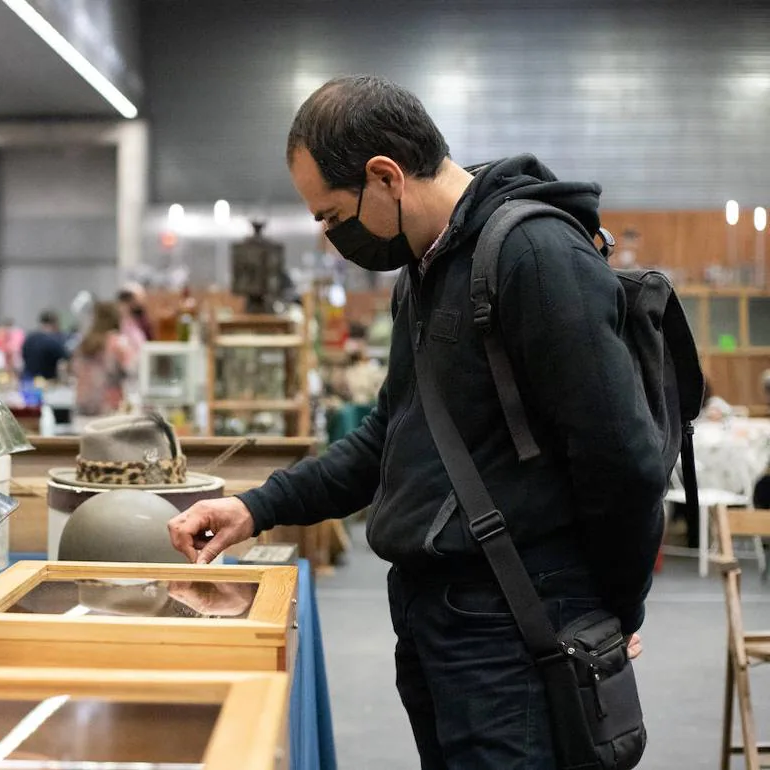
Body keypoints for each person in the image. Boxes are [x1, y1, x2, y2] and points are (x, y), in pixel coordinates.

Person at [167, 75, 658, 767]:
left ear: (385, 176)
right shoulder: (425, 271)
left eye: (332, 216)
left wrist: (615, 608)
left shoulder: (534, 257)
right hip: (440, 621)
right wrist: (256, 507)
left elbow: (622, 457)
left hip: (517, 628)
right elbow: (387, 436)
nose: (333, 236)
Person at [72, 302, 133, 423]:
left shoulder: (84, 342)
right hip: (109, 410)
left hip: (82, 407)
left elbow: (74, 370)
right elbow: (132, 371)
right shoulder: (118, 342)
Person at [21, 309, 68, 382]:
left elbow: (23, 355)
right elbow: (64, 360)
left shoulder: (29, 338)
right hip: (47, 382)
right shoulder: (54, 341)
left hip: (27, 380)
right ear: (55, 323)